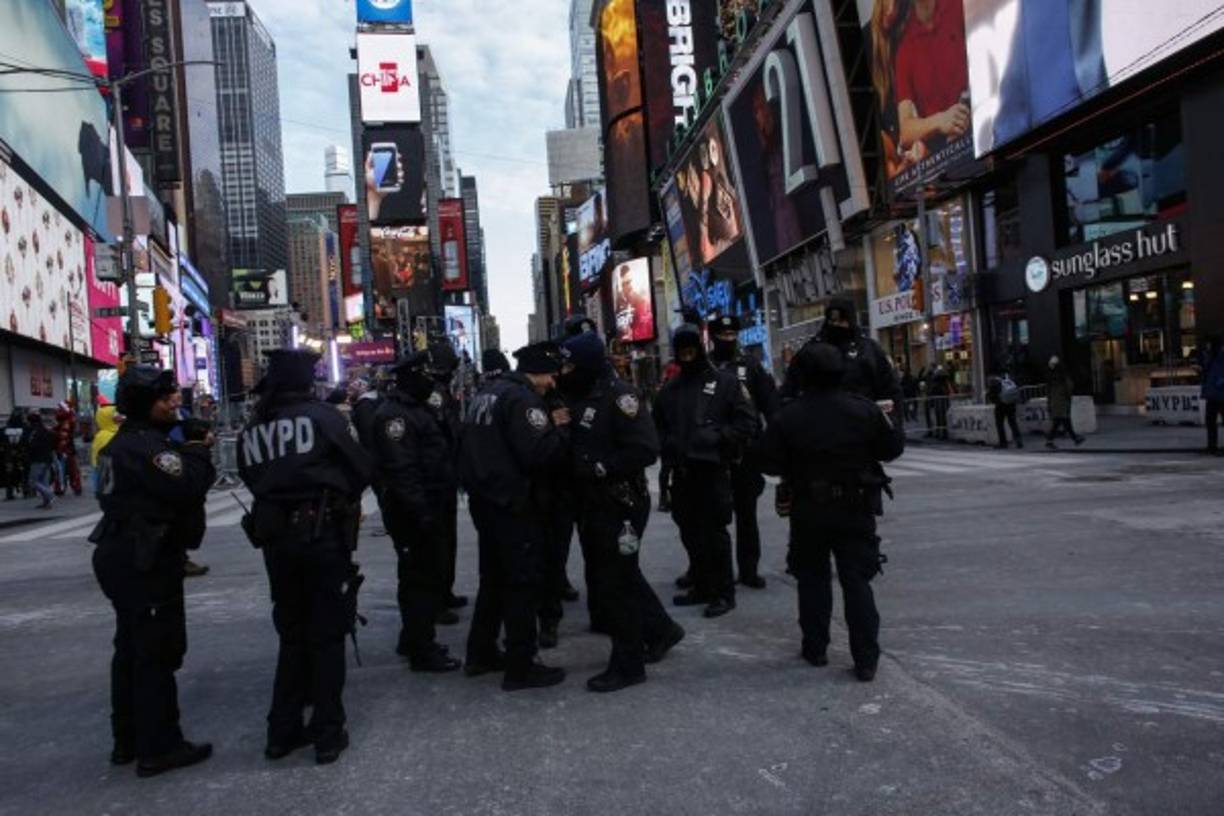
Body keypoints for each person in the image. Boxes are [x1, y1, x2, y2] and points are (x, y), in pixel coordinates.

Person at [237, 350, 371, 765]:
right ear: (308, 382)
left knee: (292, 634)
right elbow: (361, 468)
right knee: (328, 634)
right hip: (320, 534)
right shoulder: (324, 418)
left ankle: (282, 731)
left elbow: (249, 476)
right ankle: (328, 733)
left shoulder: (253, 428)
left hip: (276, 539)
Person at [90, 366, 216, 776]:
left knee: (130, 648)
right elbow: (189, 484)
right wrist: (197, 447)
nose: (175, 402)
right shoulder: (146, 447)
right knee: (156, 653)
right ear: (146, 403)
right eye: (165, 397)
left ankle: (126, 740)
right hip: (143, 558)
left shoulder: (120, 445)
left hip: (121, 553)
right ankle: (159, 746)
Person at [758, 343, 905, 682]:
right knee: (857, 582)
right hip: (855, 506)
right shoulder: (863, 410)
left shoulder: (788, 416)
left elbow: (766, 460)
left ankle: (816, 647)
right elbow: (892, 447)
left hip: (808, 507)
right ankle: (866, 658)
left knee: (812, 580)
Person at [561, 332, 685, 692]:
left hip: (621, 504)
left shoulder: (621, 397)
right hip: (592, 504)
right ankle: (661, 629)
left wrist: (601, 467)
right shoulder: (576, 394)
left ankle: (629, 662)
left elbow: (646, 449)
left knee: (617, 580)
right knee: (615, 576)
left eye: (570, 364)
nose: (564, 371)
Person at [459, 341, 570, 691]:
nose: (552, 383)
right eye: (550, 375)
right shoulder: (521, 400)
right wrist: (560, 428)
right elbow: (539, 453)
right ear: (537, 370)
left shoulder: (485, 394)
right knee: (522, 583)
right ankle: (521, 664)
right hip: (514, 505)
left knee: (493, 579)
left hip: (486, 502)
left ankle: (481, 653)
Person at [654, 324, 758, 619]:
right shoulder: (670, 390)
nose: (687, 357)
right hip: (682, 473)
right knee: (690, 532)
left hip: (712, 470)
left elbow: (747, 424)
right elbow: (655, 428)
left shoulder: (725, 384)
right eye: (681, 352)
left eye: (691, 350)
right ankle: (701, 585)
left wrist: (717, 437)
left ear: (699, 349)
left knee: (715, 534)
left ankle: (724, 592)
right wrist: (669, 445)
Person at [373, 351, 462, 672]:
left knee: (422, 576)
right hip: (414, 512)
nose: (431, 381)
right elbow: (402, 472)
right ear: (410, 378)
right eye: (425, 376)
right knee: (419, 579)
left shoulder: (416, 409)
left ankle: (413, 637)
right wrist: (422, 514)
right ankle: (422, 648)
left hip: (429, 506)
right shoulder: (395, 416)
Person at [708, 314, 779, 589]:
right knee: (711, 515)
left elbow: (769, 403)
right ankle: (706, 569)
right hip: (713, 450)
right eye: (722, 336)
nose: (728, 340)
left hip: (745, 450)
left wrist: (774, 439)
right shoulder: (706, 365)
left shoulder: (750, 365)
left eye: (731, 335)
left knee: (746, 513)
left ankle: (749, 569)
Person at [425, 340, 467, 622]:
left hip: (445, 476)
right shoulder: (435, 394)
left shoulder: (440, 391)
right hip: (436, 478)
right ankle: (437, 599)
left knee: (446, 540)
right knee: (437, 543)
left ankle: (444, 592)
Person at [1045, 356, 1084, 449]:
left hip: (1055, 402)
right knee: (1063, 420)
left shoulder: (1051, 377)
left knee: (1059, 421)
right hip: (1062, 401)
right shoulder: (1062, 376)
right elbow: (1069, 388)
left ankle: (1051, 440)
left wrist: (1049, 403)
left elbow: (1048, 392)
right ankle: (1074, 438)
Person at [24, 411, 56, 509]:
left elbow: (31, 445)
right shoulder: (46, 430)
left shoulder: (34, 432)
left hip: (37, 459)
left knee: (32, 482)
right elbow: (53, 442)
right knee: (44, 481)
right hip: (48, 458)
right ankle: (47, 503)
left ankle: (50, 495)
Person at [986, 370, 1023, 449]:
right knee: (1013, 423)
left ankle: (1003, 442)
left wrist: (994, 400)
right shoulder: (1007, 380)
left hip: (1001, 405)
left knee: (999, 424)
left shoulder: (994, 382)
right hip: (1011, 404)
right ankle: (1019, 440)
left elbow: (992, 395)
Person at [91, 404, 123, 492]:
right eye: (115, 414)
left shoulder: (113, 432)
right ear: (108, 418)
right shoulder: (105, 435)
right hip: (108, 469)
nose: (119, 417)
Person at [1200, 336, 1223, 455]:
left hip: (1220, 393)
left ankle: (1213, 447)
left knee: (1212, 421)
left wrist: (1220, 382)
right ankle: (1212, 446)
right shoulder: (1210, 357)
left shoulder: (1220, 357)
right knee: (1210, 421)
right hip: (1212, 394)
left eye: (1208, 344)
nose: (1207, 346)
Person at [3, 412, 28, 500]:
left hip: (9, 456)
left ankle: (9, 493)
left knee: (9, 475)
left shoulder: (5, 430)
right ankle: (25, 491)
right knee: (24, 473)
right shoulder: (24, 429)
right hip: (21, 454)